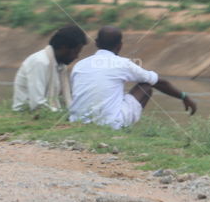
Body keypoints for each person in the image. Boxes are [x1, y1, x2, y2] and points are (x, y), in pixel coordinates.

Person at [69, 26, 197, 129]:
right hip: (108, 125)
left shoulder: (79, 65)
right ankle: (124, 128)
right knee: (146, 86)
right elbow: (159, 82)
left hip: (77, 121)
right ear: (120, 45)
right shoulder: (123, 64)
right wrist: (184, 96)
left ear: (96, 43)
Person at [12, 25, 89, 112]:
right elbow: (37, 104)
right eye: (75, 52)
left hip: (43, 115)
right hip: (25, 114)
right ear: (64, 48)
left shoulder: (60, 66)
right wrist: (62, 114)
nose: (76, 56)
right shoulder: (40, 62)